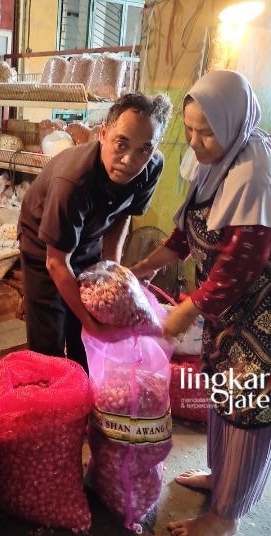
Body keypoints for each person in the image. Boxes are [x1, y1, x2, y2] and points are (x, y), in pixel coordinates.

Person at [131, 70, 271, 536]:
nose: (195, 142)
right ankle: (222, 479)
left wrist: (183, 311)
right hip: (237, 306)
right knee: (225, 393)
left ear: (233, 123)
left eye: (206, 132)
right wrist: (153, 263)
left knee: (252, 406)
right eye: (190, 129)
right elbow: (194, 225)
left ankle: (226, 515)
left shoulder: (256, 172)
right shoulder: (218, 158)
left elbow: (242, 261)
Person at [18, 92, 172, 369]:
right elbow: (56, 263)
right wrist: (92, 325)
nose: (129, 160)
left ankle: (85, 392)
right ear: (103, 133)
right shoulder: (73, 180)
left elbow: (122, 213)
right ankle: (51, 393)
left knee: (89, 326)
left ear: (155, 147)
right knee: (50, 333)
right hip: (44, 246)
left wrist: (111, 269)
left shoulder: (152, 167)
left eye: (144, 150)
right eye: (121, 144)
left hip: (88, 240)